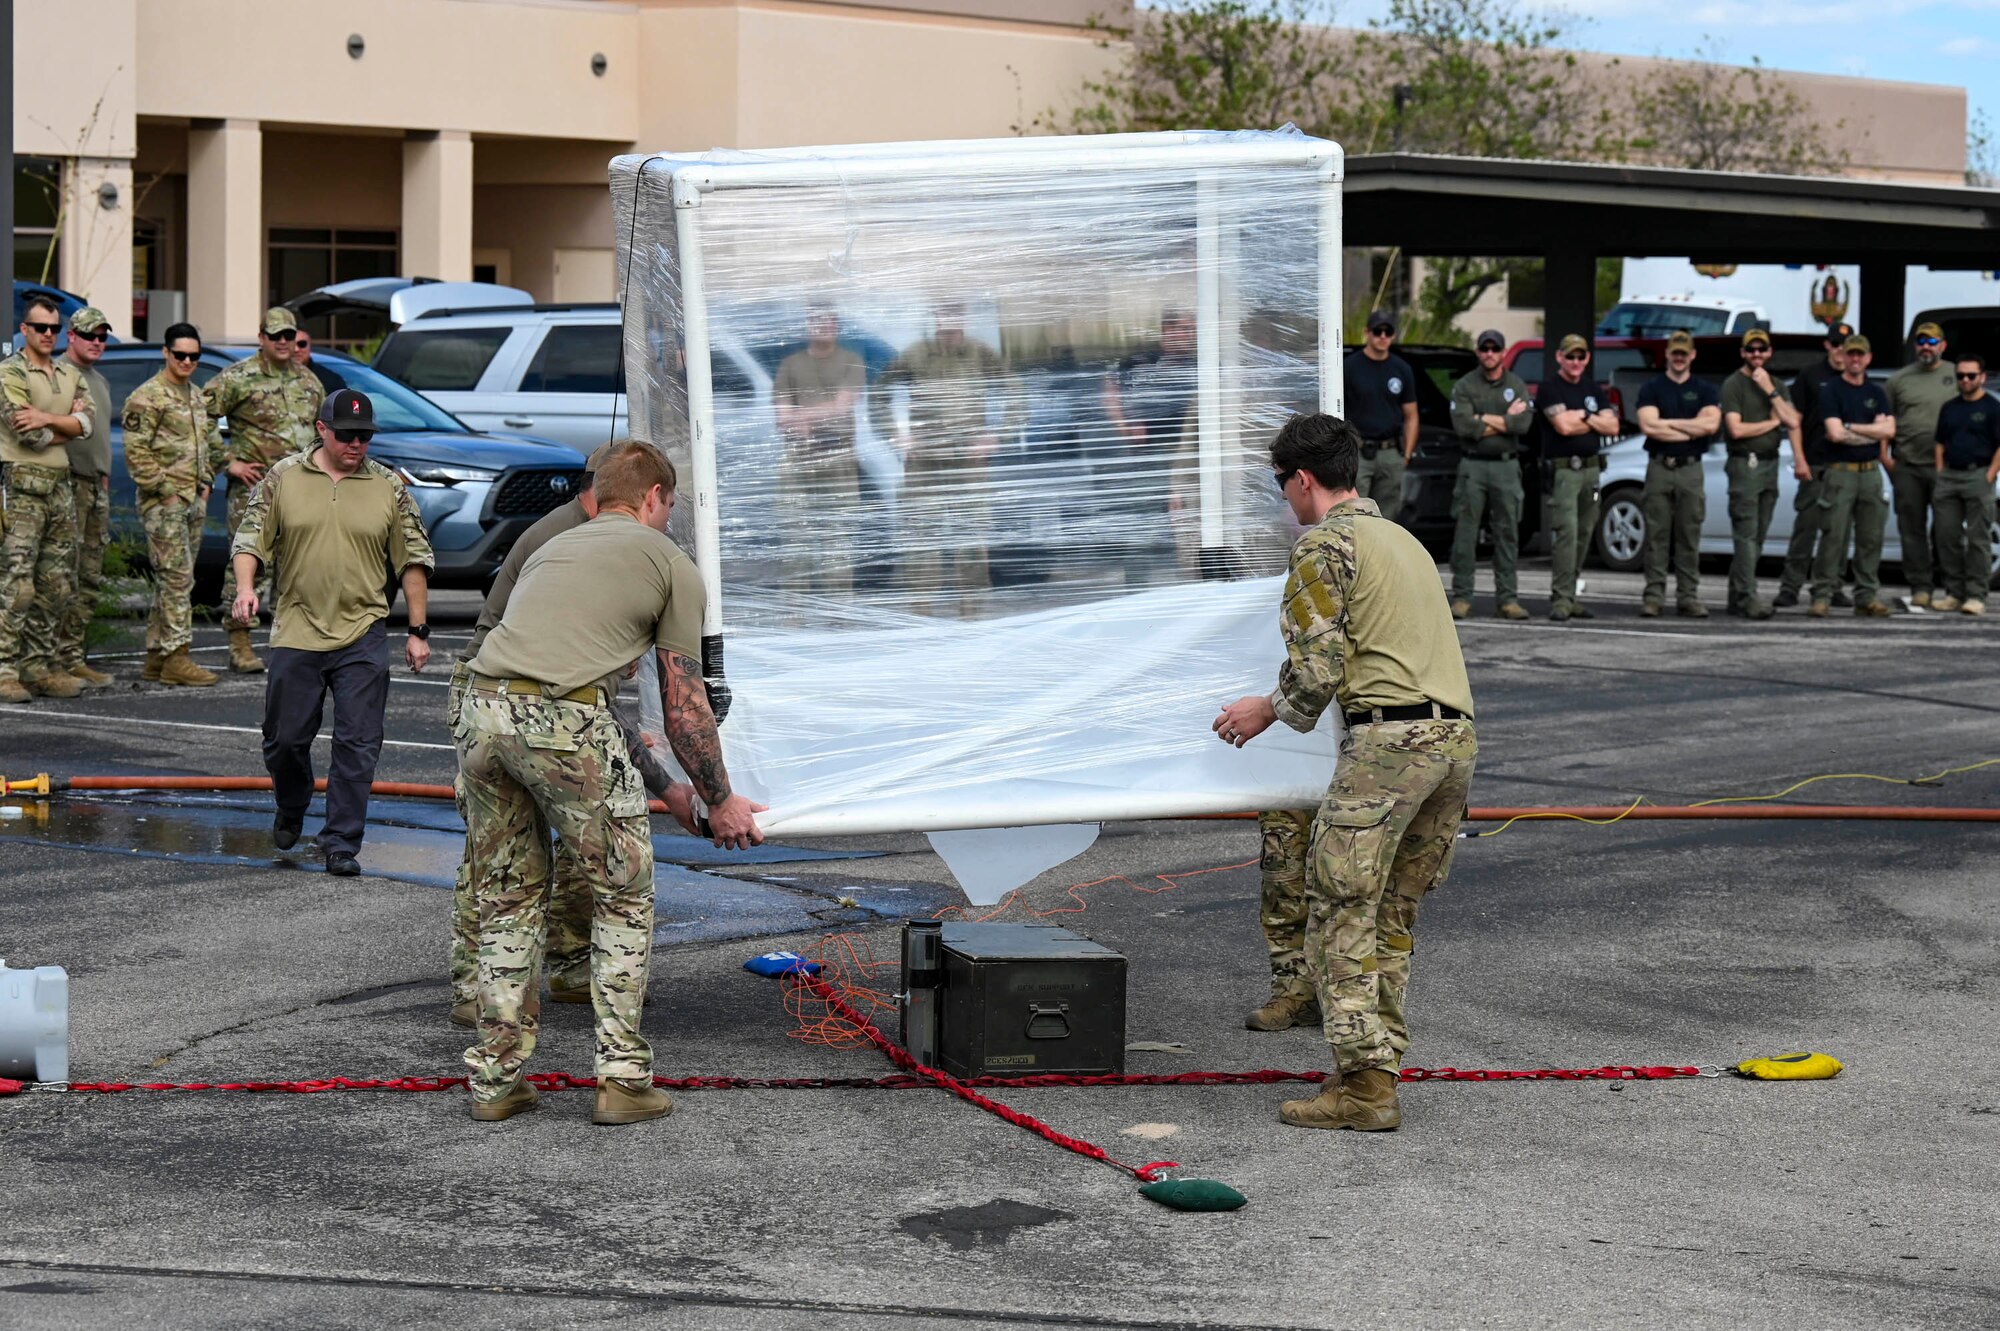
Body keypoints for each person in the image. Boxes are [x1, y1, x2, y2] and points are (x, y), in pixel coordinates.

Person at [458, 440, 765, 1125]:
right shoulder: (667, 563)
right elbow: (684, 711)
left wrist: (669, 790)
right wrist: (721, 799)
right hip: (559, 721)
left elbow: (577, 700)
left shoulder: (552, 549)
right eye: (670, 506)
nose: (668, 517)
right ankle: (622, 1079)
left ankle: (496, 1080)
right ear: (654, 496)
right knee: (622, 894)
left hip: (481, 711)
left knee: (509, 897)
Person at [1214, 413, 1476, 1133]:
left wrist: (1262, 710)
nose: (1284, 499)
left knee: (1338, 911)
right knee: (1390, 915)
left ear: (1303, 479)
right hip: (1453, 741)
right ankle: (1372, 1071)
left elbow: (1317, 669)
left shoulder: (1322, 545)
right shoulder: (1403, 541)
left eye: (1281, 485)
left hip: (1390, 745)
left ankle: (1363, 1088)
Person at [444, 441, 695, 1028]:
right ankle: (471, 982)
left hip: (519, 704)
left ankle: (560, 974)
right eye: (668, 506)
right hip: (516, 696)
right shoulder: (564, 541)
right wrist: (676, 788)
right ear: (643, 497)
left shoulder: (600, 538)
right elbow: (574, 700)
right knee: (502, 864)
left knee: (567, 848)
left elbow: (594, 696)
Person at [231, 389, 434, 875]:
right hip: (297, 629)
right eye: (347, 434)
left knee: (358, 743)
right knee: (284, 740)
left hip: (363, 631)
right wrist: (245, 588)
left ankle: (341, 841)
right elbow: (250, 537)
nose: (357, 444)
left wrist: (417, 629)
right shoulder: (284, 477)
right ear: (321, 429)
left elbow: (413, 558)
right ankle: (293, 799)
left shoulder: (388, 485)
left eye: (365, 436)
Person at [871, 302, 1026, 616]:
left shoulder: (980, 353)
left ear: (964, 318)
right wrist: (895, 434)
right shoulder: (915, 355)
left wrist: (998, 436)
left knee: (971, 542)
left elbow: (1018, 395)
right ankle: (922, 614)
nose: (949, 320)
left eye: (956, 313)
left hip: (967, 463)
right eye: (944, 312)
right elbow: (878, 395)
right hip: (924, 464)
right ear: (935, 316)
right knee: (921, 540)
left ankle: (972, 615)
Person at [207, 306, 325, 673]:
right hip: (255, 487)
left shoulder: (308, 381)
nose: (284, 342)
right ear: (261, 339)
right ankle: (240, 643)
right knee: (248, 562)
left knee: (297, 566)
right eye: (276, 336)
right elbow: (199, 415)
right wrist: (228, 462)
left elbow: (324, 430)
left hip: (302, 488)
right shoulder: (238, 377)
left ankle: (289, 645)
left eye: (289, 336)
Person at [0, 294, 96, 704]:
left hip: (60, 485)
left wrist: (48, 417)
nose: (48, 335)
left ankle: (38, 667)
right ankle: (5, 669)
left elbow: (89, 423)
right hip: (22, 486)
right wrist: (65, 425)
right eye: (40, 327)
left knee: (56, 584)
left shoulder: (68, 372)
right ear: (24, 330)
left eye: (54, 329)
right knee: (16, 584)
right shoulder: (10, 372)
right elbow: (28, 432)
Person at [122, 323, 228, 687]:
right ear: (166, 353)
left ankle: (156, 657)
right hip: (163, 503)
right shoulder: (146, 396)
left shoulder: (196, 396)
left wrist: (207, 485)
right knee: (177, 578)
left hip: (192, 501)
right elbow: (135, 453)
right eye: (180, 354)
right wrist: (166, 491)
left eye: (194, 356)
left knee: (172, 580)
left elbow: (211, 444)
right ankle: (177, 657)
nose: (187, 361)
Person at [773, 305, 868, 599]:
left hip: (838, 461)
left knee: (838, 542)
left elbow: (842, 408)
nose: (823, 324)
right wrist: (809, 417)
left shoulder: (851, 361)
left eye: (829, 319)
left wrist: (800, 416)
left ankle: (838, 614)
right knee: (795, 540)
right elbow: (781, 418)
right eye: (816, 319)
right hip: (799, 461)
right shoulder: (790, 365)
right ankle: (796, 611)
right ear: (808, 324)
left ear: (836, 324)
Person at [1101, 308, 1199, 585]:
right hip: (1152, 452)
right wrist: (1123, 426)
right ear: (1166, 330)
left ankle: (1189, 587)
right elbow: (1109, 388)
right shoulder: (1143, 359)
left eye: (1192, 330)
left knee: (1185, 519)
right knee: (1144, 520)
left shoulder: (1196, 363)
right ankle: (1138, 588)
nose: (1188, 336)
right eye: (1183, 329)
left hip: (1191, 452)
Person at [1718, 329, 1804, 619]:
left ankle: (1736, 596)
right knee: (1746, 534)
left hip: (1770, 464)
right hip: (1746, 464)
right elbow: (1736, 429)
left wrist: (1770, 390)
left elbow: (1792, 420)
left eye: (1761, 350)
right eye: (1750, 350)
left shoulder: (1776, 384)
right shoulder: (1733, 384)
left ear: (1769, 352)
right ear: (1743, 353)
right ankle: (1749, 597)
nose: (1756, 354)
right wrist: (1770, 424)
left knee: (1758, 536)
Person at [1635, 330, 1722, 617]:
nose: (1680, 357)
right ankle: (1653, 597)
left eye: (1685, 353)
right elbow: (1649, 426)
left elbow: (1710, 426)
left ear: (1692, 355)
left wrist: (1668, 425)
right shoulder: (1651, 388)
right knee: (1657, 535)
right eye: (1675, 352)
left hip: (1690, 469)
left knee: (1689, 534)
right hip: (1659, 466)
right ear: (1668, 355)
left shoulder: (1706, 389)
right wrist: (1689, 426)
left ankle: (1688, 596)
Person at [1446, 329, 1532, 620]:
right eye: (1485, 349)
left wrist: (1482, 419)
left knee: (1507, 532)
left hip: (1506, 466)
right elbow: (1463, 426)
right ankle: (1462, 597)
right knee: (1466, 532)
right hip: (1473, 466)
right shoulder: (1465, 385)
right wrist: (1505, 420)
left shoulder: (1516, 384)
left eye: (1495, 349)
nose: (1490, 354)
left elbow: (1523, 425)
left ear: (1503, 352)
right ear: (1479, 352)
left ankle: (1508, 599)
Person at [1536, 334, 1622, 622]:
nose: (1575, 362)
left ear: (1586, 359)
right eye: (1570, 356)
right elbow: (1562, 426)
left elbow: (1612, 426)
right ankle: (1560, 599)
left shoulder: (1592, 388)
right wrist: (1593, 418)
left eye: (1580, 356)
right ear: (1559, 357)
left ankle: (1571, 595)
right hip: (1565, 472)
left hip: (1591, 470)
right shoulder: (1550, 388)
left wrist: (1582, 415)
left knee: (1585, 534)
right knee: (1567, 534)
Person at [52, 307, 116, 687]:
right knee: (62, 577)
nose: (96, 342)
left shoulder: (99, 380)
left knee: (89, 576)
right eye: (89, 335)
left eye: (102, 336)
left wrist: (103, 475)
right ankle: (52, 660)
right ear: (70, 336)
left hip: (95, 486)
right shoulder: (60, 375)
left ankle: (72, 656)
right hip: (68, 484)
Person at [1811, 334, 1896, 617]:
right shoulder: (1831, 390)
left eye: (1860, 354)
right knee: (1833, 536)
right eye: (1851, 354)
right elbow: (1835, 434)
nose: (1855, 359)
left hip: (1871, 473)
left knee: (1871, 538)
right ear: (1843, 357)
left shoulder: (1876, 393)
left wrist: (1851, 428)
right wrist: (1868, 431)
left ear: (1868, 358)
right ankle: (1822, 594)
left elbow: (1889, 431)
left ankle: (1866, 596)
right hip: (1840, 473)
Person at [1776, 322, 1854, 608]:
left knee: (1839, 533)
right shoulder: (1810, 376)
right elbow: (1794, 421)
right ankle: (1790, 587)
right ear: (1827, 346)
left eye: (1845, 346)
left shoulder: (1854, 378)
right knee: (1805, 530)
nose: (1840, 351)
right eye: (1835, 345)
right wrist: (1799, 458)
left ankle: (1832, 586)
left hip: (1844, 468)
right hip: (1815, 465)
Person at [1886, 321, 1956, 608]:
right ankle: (1920, 587)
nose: (1926, 347)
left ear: (1943, 345)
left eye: (1932, 341)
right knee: (1911, 529)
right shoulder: (1898, 381)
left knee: (1947, 529)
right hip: (1908, 466)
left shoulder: (1957, 374)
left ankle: (1953, 588)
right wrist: (1886, 459)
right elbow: (1884, 422)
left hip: (1946, 467)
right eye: (1921, 341)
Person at [1928, 355, 1998, 616]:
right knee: (1946, 537)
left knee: (1978, 539)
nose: (1965, 380)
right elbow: (1940, 441)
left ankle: (1976, 595)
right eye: (1960, 376)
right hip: (1949, 477)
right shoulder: (1949, 407)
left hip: (1977, 475)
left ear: (1982, 376)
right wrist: (1939, 470)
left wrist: (1990, 475)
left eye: (1970, 375)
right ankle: (1954, 593)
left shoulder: (1992, 407)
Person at [1343, 310, 1419, 520]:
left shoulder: (1402, 369)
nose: (1383, 336)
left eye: (1388, 331)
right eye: (1378, 331)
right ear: (1367, 332)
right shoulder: (1349, 367)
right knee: (1355, 513)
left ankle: (1380, 554)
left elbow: (1411, 415)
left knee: (1388, 517)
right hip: (1358, 452)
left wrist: (1406, 455)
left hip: (1391, 452)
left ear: (1394, 335)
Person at [1245, 809, 1315, 1031]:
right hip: (1290, 782)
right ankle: (1295, 993)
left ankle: (1358, 998)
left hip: (1359, 784)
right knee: (1281, 876)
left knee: (1350, 878)